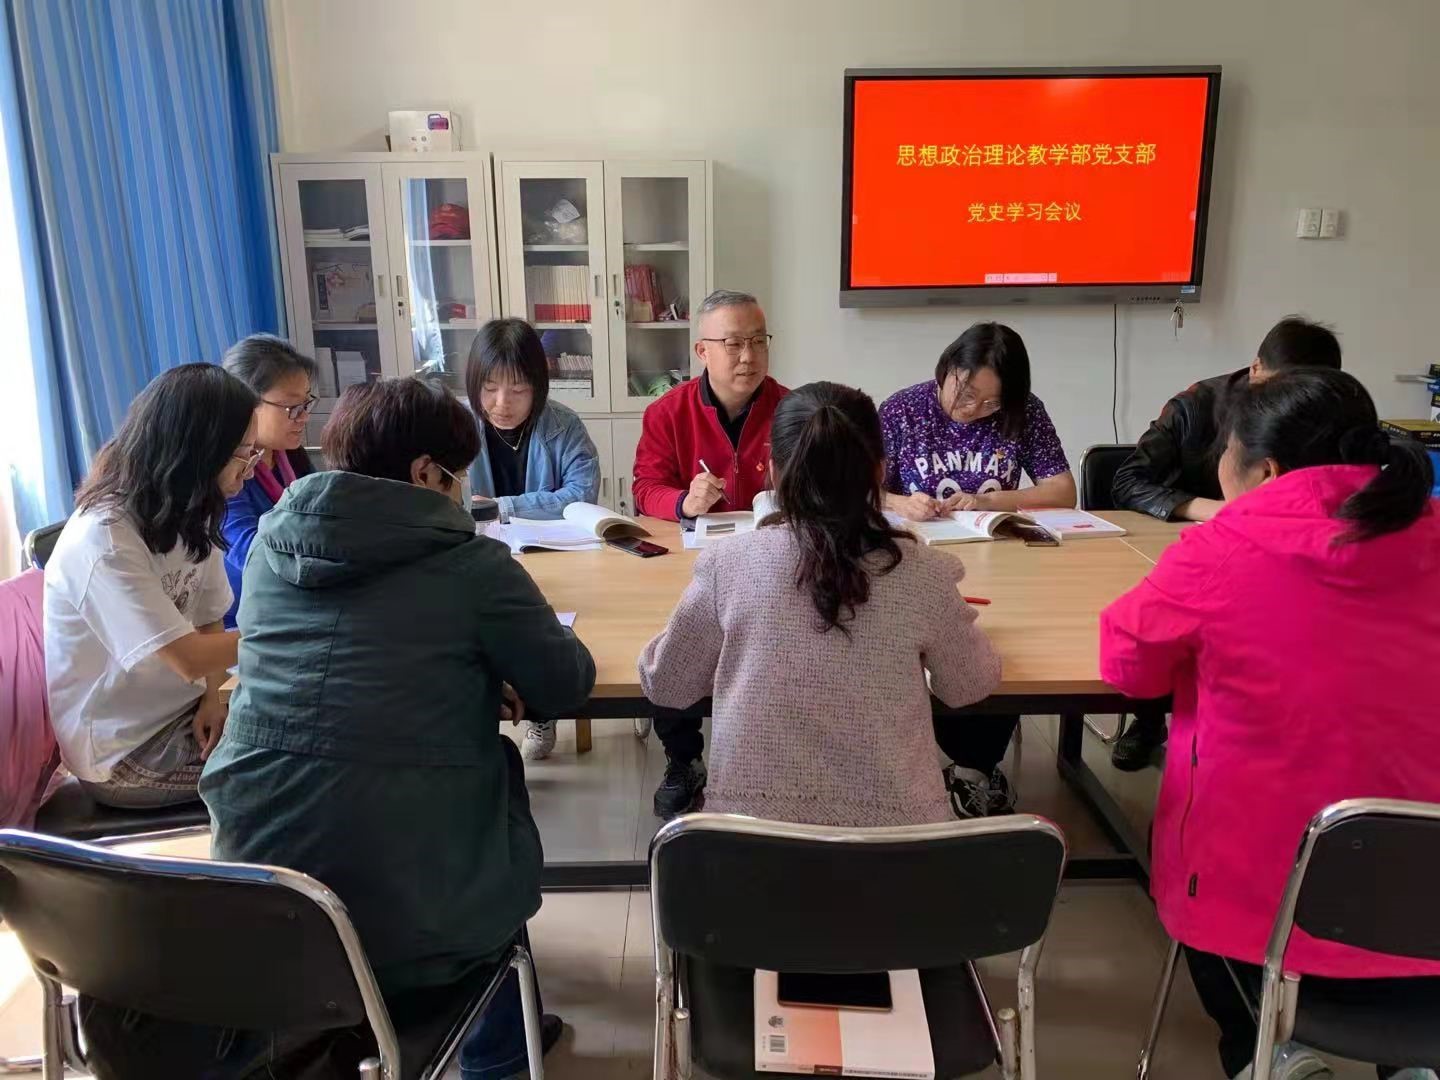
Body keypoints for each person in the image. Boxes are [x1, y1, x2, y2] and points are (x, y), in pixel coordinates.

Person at [201, 376, 595, 1078]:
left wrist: (450, 680)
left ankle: (500, 1033)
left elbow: (344, 673)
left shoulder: (268, 552)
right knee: (484, 825)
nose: (462, 489)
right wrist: (483, 675)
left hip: (258, 900)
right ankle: (500, 1054)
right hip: (414, 919)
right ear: (424, 473)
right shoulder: (472, 567)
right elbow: (564, 684)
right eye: (457, 474)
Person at [1100, 368, 1440, 1080]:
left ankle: (1268, 1051)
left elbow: (1128, 668)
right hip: (1423, 885)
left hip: (1263, 897)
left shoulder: (1221, 549)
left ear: (1266, 469)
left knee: (1213, 874)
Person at [640, 381, 1001, 825]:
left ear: (774, 473)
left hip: (751, 843)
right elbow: (969, 685)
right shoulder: (924, 571)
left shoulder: (727, 565)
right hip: (899, 844)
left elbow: (666, 684)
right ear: (879, 472)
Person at [1107, 316, 1343, 771]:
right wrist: (1213, 510)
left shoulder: (1326, 420)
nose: (1291, 405)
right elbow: (1127, 480)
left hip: (1293, 561)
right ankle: (1150, 721)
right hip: (1197, 549)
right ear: (1256, 369)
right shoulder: (1197, 406)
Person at [879, 322, 1074, 817]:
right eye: (966, 394)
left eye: (990, 403)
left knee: (1004, 648)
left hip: (1001, 563)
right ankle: (931, 756)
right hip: (918, 564)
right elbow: (862, 490)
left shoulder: (1024, 412)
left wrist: (993, 500)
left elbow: (1061, 490)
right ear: (946, 370)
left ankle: (974, 765)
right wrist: (901, 501)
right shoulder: (902, 409)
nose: (973, 409)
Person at [43, 364, 258, 808]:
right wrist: (290, 634)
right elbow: (187, 657)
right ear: (198, 453)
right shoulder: (105, 539)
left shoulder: (188, 510)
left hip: (183, 710)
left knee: (312, 724)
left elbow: (209, 615)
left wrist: (214, 697)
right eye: (243, 454)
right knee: (296, 769)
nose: (250, 470)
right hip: (123, 753)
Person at [631, 288, 789, 818]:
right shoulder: (667, 412)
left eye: (758, 341)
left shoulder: (792, 409)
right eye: (734, 343)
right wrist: (683, 501)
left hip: (774, 564)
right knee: (673, 641)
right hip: (695, 565)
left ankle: (769, 755)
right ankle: (683, 759)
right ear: (702, 351)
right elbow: (644, 489)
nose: (748, 356)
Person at [465, 318, 601, 761]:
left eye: (518, 390)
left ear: (538, 387)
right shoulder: (456, 426)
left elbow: (580, 495)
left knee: (544, 634)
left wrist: (500, 506)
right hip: (477, 558)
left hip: (552, 556)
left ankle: (542, 711)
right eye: (489, 388)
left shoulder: (563, 425)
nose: (501, 403)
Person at [219, 334, 318, 628]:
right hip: (243, 623)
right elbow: (250, 552)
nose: (303, 417)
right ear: (246, 403)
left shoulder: (291, 457)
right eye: (292, 407)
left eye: (306, 403)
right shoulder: (227, 473)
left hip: (294, 607)